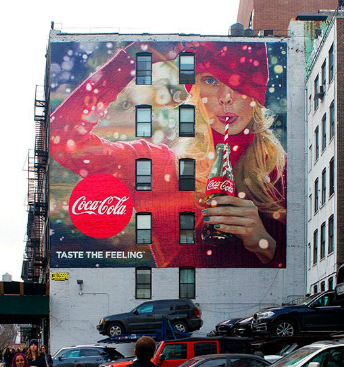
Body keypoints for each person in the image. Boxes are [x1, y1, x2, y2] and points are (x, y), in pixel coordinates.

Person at [49, 41, 287, 267]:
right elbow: (61, 138)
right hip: (176, 307)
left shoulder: (285, 174)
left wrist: (265, 246)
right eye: (211, 80)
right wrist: (131, 61)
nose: (226, 96)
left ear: (258, 94)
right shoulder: (154, 166)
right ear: (195, 93)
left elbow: (312, 276)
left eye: (239, 82)